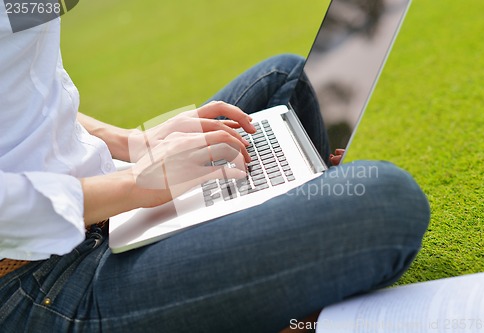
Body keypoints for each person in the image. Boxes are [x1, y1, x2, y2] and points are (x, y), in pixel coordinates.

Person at [0, 7, 430, 333]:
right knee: (387, 202)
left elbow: (29, 90)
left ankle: (276, 228)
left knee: (286, 79)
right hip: (39, 274)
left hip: (103, 193)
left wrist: (134, 142)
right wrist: (136, 183)